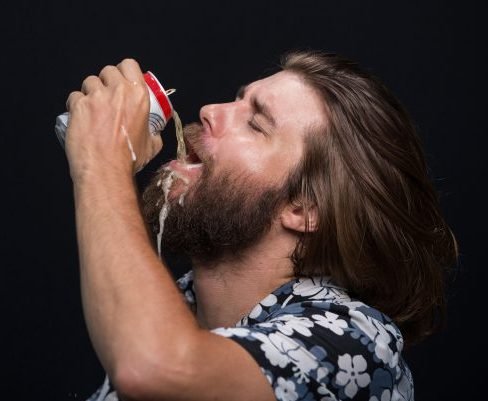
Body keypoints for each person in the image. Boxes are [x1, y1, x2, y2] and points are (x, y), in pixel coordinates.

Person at [63, 51, 457, 401]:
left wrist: (100, 159)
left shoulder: (354, 344)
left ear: (305, 208)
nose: (209, 111)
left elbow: (155, 369)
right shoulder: (175, 309)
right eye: (236, 98)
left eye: (255, 123)